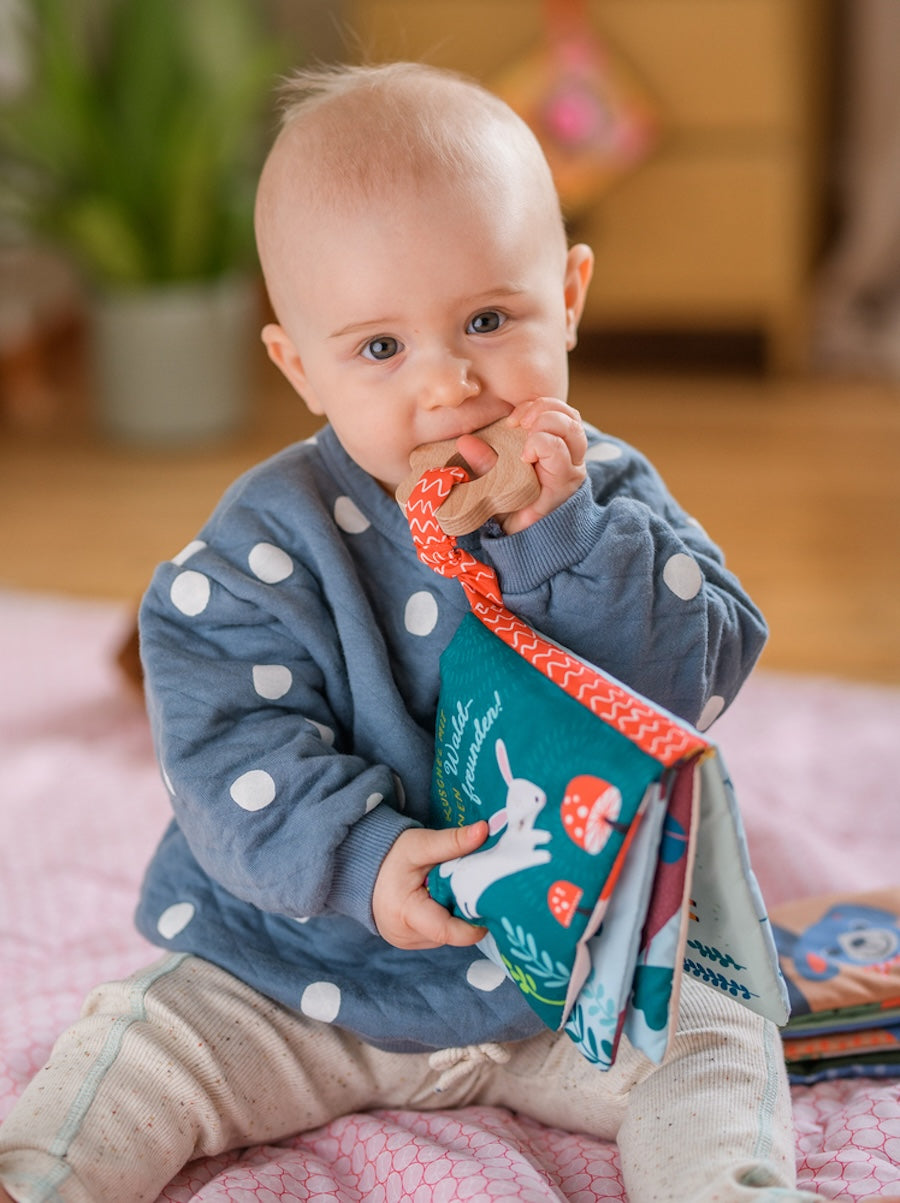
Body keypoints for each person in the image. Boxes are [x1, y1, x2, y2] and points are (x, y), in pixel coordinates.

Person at [0, 62, 818, 1203]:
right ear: (299, 367)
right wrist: (360, 857)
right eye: (380, 350)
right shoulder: (262, 546)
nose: (451, 386)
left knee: (719, 1031)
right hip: (302, 975)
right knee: (143, 1043)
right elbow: (226, 750)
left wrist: (560, 537)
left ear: (569, 296)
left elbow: (697, 672)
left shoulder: (609, 499)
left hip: (567, 983)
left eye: (489, 318)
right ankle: (44, 1178)